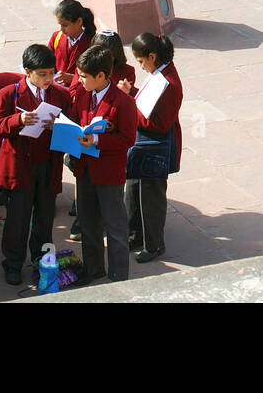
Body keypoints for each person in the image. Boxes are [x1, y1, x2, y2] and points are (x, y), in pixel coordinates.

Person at [0, 44, 71, 286]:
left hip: (48, 163)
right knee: (18, 217)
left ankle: (41, 257)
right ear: (28, 71)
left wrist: (56, 126)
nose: (48, 79)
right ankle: (13, 263)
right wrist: (18, 119)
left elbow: (70, 126)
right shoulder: (9, 93)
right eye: (42, 74)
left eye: (51, 73)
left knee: (45, 216)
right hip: (20, 166)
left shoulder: (60, 95)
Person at [68, 45, 136, 283]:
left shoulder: (123, 102)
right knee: (88, 225)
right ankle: (93, 269)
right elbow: (76, 119)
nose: (80, 79)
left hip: (108, 174)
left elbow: (128, 138)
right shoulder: (83, 94)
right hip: (84, 170)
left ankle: (118, 276)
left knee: (115, 228)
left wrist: (96, 140)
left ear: (100, 76)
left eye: (84, 76)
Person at [123, 32, 183, 263]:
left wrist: (129, 109)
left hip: (155, 147)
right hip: (142, 144)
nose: (140, 66)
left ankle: (154, 244)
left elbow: (158, 123)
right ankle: (135, 234)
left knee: (151, 198)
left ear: (152, 56)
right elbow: (147, 103)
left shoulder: (169, 83)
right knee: (134, 190)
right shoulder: (159, 72)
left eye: (141, 61)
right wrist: (133, 94)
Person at [49, 0, 95, 88]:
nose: (61, 29)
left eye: (65, 25)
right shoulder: (56, 37)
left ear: (79, 22)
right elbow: (48, 61)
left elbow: (96, 77)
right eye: (60, 25)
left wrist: (73, 78)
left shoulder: (92, 43)